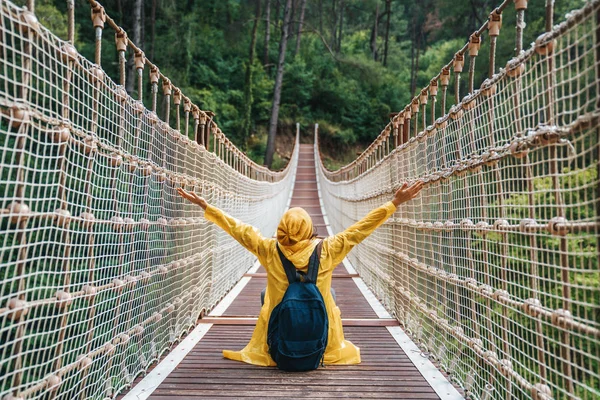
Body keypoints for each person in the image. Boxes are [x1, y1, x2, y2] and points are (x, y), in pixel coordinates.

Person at [177, 180, 423, 367]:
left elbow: (238, 229)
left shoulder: (268, 249)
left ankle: (277, 340)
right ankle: (323, 343)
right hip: (323, 345)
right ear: (309, 230)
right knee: (331, 294)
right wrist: (394, 203)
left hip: (277, 344)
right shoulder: (328, 249)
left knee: (267, 295)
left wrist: (207, 207)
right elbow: (360, 230)